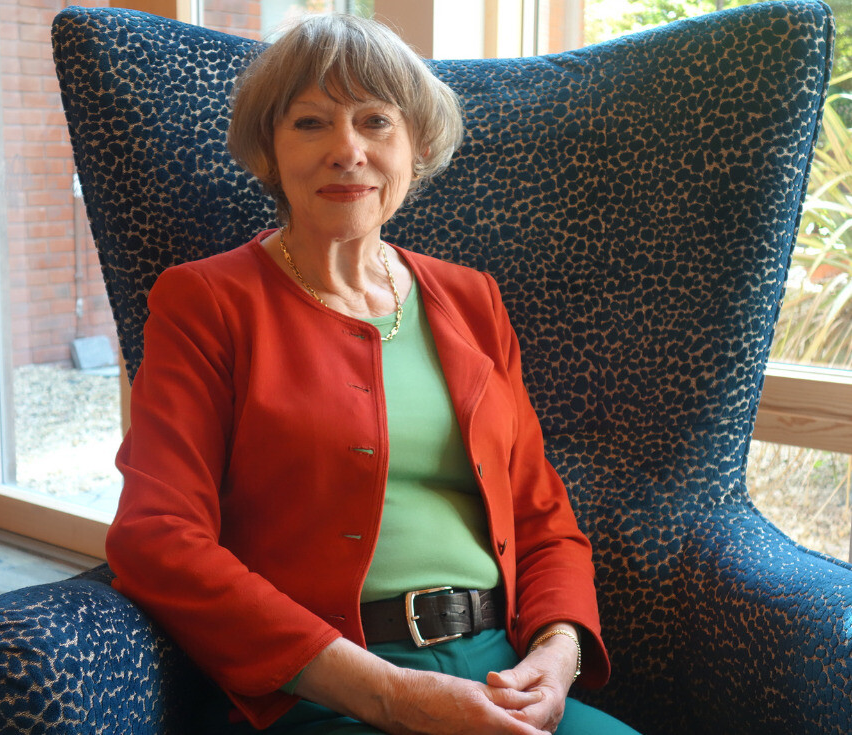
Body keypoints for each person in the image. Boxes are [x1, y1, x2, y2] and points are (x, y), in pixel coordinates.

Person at [106, 13, 640, 735]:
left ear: (415, 148)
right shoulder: (205, 300)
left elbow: (542, 515)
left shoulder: (473, 298)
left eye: (375, 121)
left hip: (498, 668)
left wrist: (559, 648)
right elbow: (157, 535)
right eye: (309, 123)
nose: (346, 150)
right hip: (323, 683)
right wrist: (388, 693)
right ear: (268, 150)